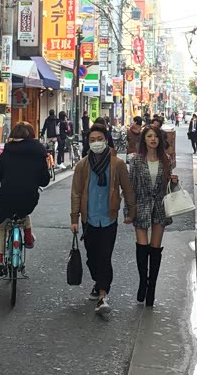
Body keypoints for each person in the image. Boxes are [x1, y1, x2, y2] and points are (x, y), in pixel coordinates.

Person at [70, 123, 135, 315]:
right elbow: (76, 193)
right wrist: (74, 218)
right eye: (92, 140)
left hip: (109, 217)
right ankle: (99, 283)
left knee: (105, 256)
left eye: (99, 139)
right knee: (92, 257)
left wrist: (131, 212)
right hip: (89, 218)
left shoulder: (118, 164)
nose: (96, 143)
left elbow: (127, 189)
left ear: (106, 140)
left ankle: (102, 295)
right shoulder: (82, 165)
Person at [0, 122, 50, 275]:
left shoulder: (8, 150)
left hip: (7, 197)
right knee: (24, 211)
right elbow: (44, 180)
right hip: (29, 198)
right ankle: (28, 236)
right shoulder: (39, 151)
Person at [125, 125, 178, 306]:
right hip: (141, 206)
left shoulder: (166, 159)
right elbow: (130, 187)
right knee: (142, 247)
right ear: (144, 140)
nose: (153, 139)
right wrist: (128, 212)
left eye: (155, 136)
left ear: (160, 140)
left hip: (160, 207)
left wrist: (174, 181)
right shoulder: (136, 161)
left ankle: (152, 288)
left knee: (155, 249)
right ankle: (143, 282)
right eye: (149, 136)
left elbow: (169, 187)